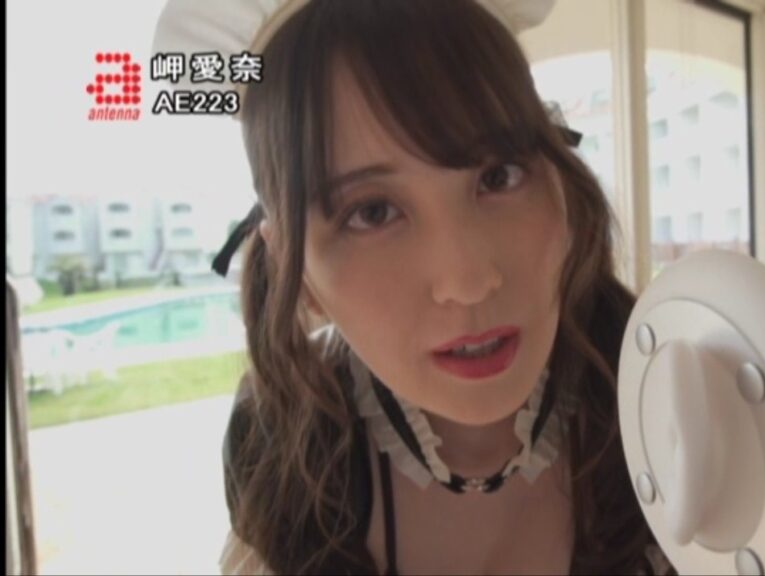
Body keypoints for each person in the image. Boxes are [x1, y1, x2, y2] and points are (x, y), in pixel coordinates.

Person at [154, 1, 676, 574]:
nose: (468, 282)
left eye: (498, 176)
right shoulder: (279, 451)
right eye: (372, 212)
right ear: (296, 272)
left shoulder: (675, 405)